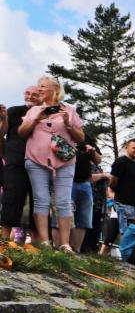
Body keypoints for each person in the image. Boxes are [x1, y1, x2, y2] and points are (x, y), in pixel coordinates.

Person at [17, 75, 85, 250]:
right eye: (38, 86)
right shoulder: (34, 110)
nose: (39, 89)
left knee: (63, 202)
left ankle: (65, 244)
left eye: (43, 86)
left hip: (64, 162)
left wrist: (68, 124)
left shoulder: (69, 110)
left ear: (55, 90)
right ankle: (45, 243)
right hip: (35, 160)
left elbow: (81, 138)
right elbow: (21, 132)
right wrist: (35, 119)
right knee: (41, 200)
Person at [2, 87, 42, 246]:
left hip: (38, 161)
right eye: (27, 93)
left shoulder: (46, 114)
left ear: (41, 97)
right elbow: (2, 133)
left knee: (37, 199)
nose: (30, 96)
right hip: (15, 158)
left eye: (35, 94)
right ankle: (4, 239)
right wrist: (4, 119)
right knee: (11, 197)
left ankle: (37, 242)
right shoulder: (14, 111)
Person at [69, 137, 106, 253]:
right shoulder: (66, 136)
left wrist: (93, 151)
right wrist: (102, 175)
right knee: (68, 216)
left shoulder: (88, 141)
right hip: (69, 181)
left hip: (86, 185)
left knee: (83, 219)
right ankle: (67, 246)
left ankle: (77, 249)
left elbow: (98, 160)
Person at [109, 138, 135, 238]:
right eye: (134, 148)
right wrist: (120, 194)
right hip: (124, 203)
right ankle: (125, 248)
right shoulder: (120, 162)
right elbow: (113, 182)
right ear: (126, 148)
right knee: (127, 232)